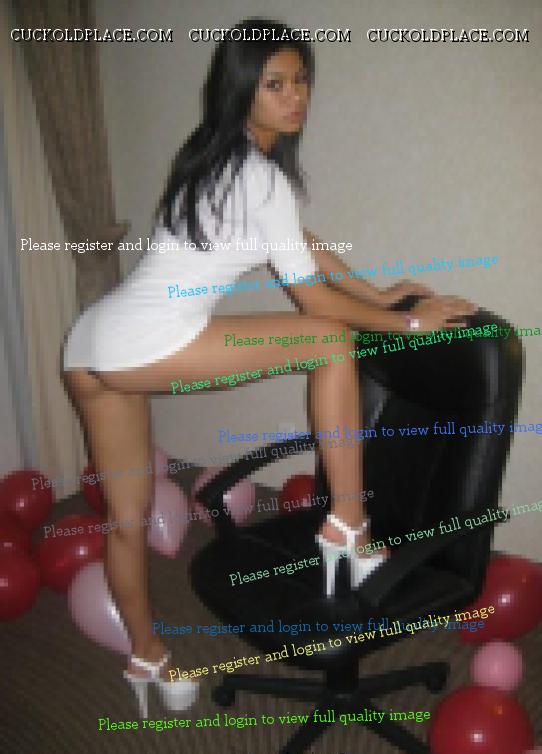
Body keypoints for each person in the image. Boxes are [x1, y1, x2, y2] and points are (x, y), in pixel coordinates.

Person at [61, 18, 475, 716]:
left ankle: (147, 657)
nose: (295, 97)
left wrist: (376, 293)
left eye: (301, 81)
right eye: (275, 84)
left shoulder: (210, 158)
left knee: (127, 521)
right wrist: (407, 321)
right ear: (241, 89)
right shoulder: (260, 177)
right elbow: (314, 301)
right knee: (330, 341)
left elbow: (301, 245)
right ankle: (348, 522)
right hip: (146, 342)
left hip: (89, 347)